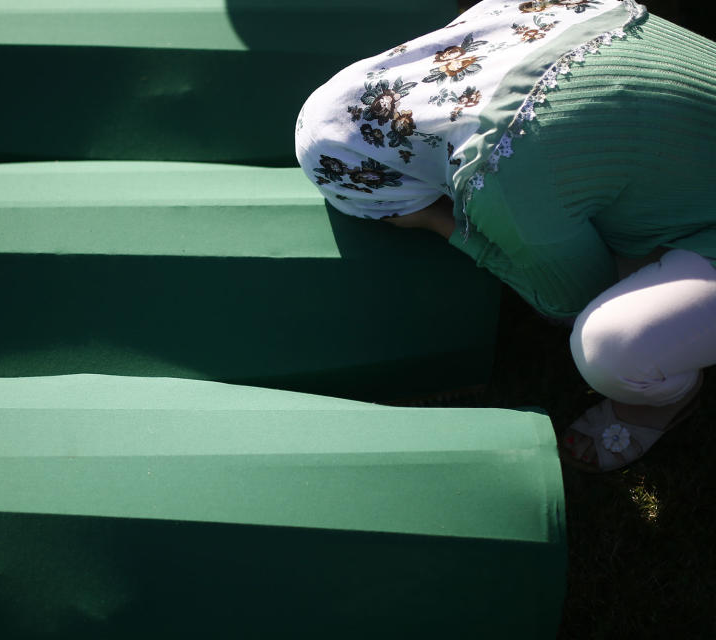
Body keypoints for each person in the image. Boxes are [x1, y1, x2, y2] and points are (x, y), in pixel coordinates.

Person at [294, 0, 716, 472]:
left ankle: (660, 400)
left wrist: (440, 222)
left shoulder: (496, 177)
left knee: (610, 346)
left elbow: (571, 296)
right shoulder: (521, 10)